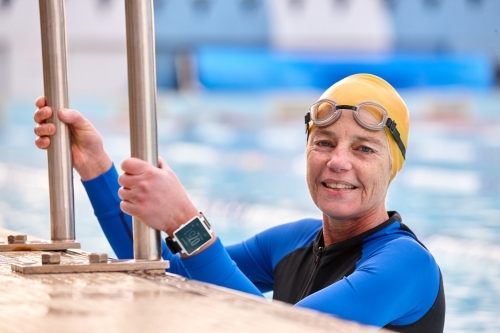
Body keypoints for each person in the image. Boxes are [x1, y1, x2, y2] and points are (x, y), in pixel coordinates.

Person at [33, 74, 445, 332]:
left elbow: (281, 327)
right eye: (323, 142)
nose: (338, 161)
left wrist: (183, 220)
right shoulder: (294, 241)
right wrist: (94, 168)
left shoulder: (406, 265)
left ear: (392, 168)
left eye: (364, 149)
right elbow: (167, 274)